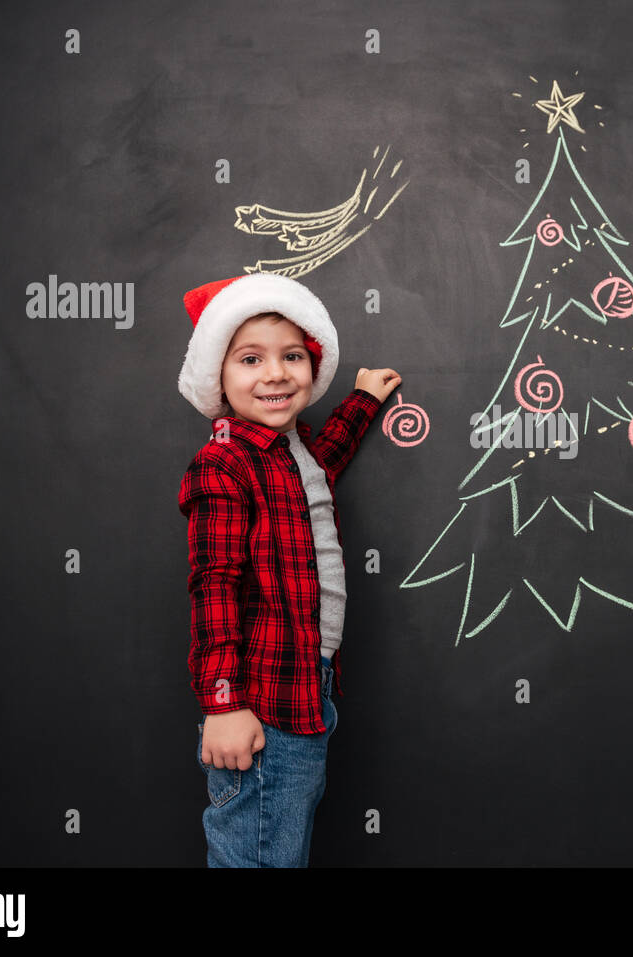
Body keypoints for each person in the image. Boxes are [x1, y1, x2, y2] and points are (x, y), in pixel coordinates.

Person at [176, 272, 401, 866]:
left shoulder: (293, 450)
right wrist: (223, 702)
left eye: (292, 356)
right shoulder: (223, 464)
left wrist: (363, 401)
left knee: (284, 843)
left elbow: (327, 458)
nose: (275, 373)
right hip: (260, 697)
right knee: (259, 852)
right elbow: (214, 586)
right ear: (217, 377)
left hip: (309, 685)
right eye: (251, 359)